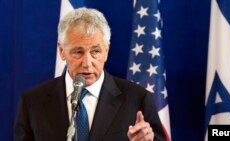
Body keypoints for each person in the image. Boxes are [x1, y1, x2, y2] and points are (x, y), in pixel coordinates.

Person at [14, 7, 166, 141]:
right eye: (78, 52)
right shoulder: (32, 102)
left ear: (106, 51)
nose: (87, 63)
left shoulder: (137, 99)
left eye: (95, 52)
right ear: (61, 51)